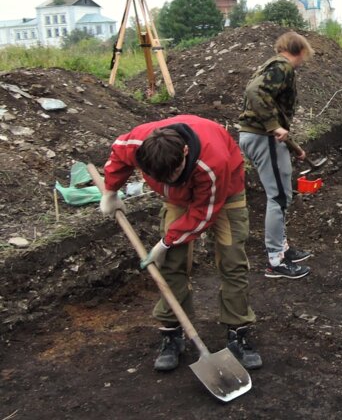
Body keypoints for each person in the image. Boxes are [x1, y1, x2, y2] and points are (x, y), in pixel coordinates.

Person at [99, 115, 261, 371]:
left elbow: (203, 215)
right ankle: (172, 332)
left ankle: (237, 330)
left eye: (173, 174)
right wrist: (111, 191)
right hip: (177, 200)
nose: (169, 181)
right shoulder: (140, 143)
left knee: (232, 260)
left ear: (185, 151)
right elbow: (119, 153)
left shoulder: (213, 162)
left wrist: (164, 242)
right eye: (161, 177)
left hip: (224, 192)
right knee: (172, 263)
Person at [238, 31, 314, 280]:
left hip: (263, 137)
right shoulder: (282, 67)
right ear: (300, 50)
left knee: (282, 194)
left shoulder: (271, 66)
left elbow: (271, 105)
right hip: (263, 137)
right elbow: (254, 91)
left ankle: (282, 248)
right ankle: (275, 260)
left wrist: (293, 145)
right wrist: (273, 126)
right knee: (278, 197)